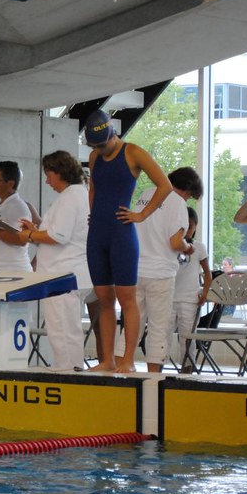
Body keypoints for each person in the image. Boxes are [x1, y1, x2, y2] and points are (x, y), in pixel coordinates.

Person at [84, 110, 172, 373]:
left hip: (122, 234)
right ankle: (108, 360)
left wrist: (142, 214)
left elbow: (164, 185)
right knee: (103, 299)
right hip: (97, 234)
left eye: (102, 144)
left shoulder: (133, 152)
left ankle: (128, 360)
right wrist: (94, 214)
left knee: (127, 298)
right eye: (95, 146)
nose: (99, 149)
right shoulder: (93, 157)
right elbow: (94, 189)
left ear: (113, 134)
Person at [115, 167, 199, 373]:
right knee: (158, 327)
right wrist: (188, 248)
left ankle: (122, 367)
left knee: (131, 323)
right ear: (187, 191)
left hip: (135, 269)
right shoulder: (177, 202)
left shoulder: (147, 194)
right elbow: (174, 242)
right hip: (160, 272)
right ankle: (154, 379)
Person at [16, 151, 92, 371]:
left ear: (61, 172)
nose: (47, 181)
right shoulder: (77, 195)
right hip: (68, 272)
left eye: (49, 175)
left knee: (62, 330)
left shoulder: (70, 197)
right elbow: (59, 234)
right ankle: (70, 368)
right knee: (67, 329)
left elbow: (59, 236)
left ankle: (69, 372)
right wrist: (37, 231)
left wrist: (30, 236)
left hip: (64, 275)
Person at [174, 207, 213, 372]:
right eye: (184, 226)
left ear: (195, 226)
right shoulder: (171, 245)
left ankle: (187, 369)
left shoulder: (199, 247)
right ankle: (157, 366)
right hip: (168, 297)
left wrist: (204, 293)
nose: (187, 230)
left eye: (191, 226)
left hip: (189, 299)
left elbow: (208, 274)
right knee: (162, 333)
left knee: (187, 337)